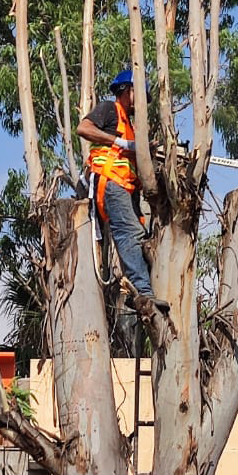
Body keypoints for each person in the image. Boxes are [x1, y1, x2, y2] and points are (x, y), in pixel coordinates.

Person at [77, 69, 167, 311]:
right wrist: (119, 142)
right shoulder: (109, 109)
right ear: (127, 90)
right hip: (110, 182)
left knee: (142, 235)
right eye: (139, 93)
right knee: (129, 233)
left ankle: (142, 288)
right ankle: (144, 293)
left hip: (126, 188)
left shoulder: (131, 125)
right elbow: (83, 128)